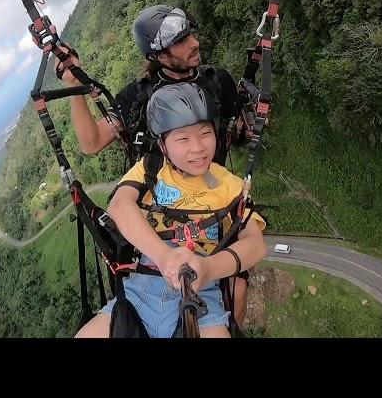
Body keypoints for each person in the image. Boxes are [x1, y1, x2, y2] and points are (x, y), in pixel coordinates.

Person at [57, 4, 253, 328]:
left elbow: (236, 133)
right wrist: (73, 86)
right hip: (157, 210)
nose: (194, 44)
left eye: (190, 34)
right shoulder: (139, 97)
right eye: (181, 41)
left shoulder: (218, 83)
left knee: (238, 295)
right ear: (159, 55)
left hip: (214, 203)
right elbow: (91, 142)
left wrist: (244, 131)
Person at [75, 82, 267, 338]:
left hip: (202, 297)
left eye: (205, 134)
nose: (197, 147)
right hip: (140, 291)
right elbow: (120, 206)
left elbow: (255, 243)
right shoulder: (150, 168)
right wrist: (165, 258)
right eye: (183, 138)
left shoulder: (230, 185)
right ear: (163, 144)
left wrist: (208, 268)